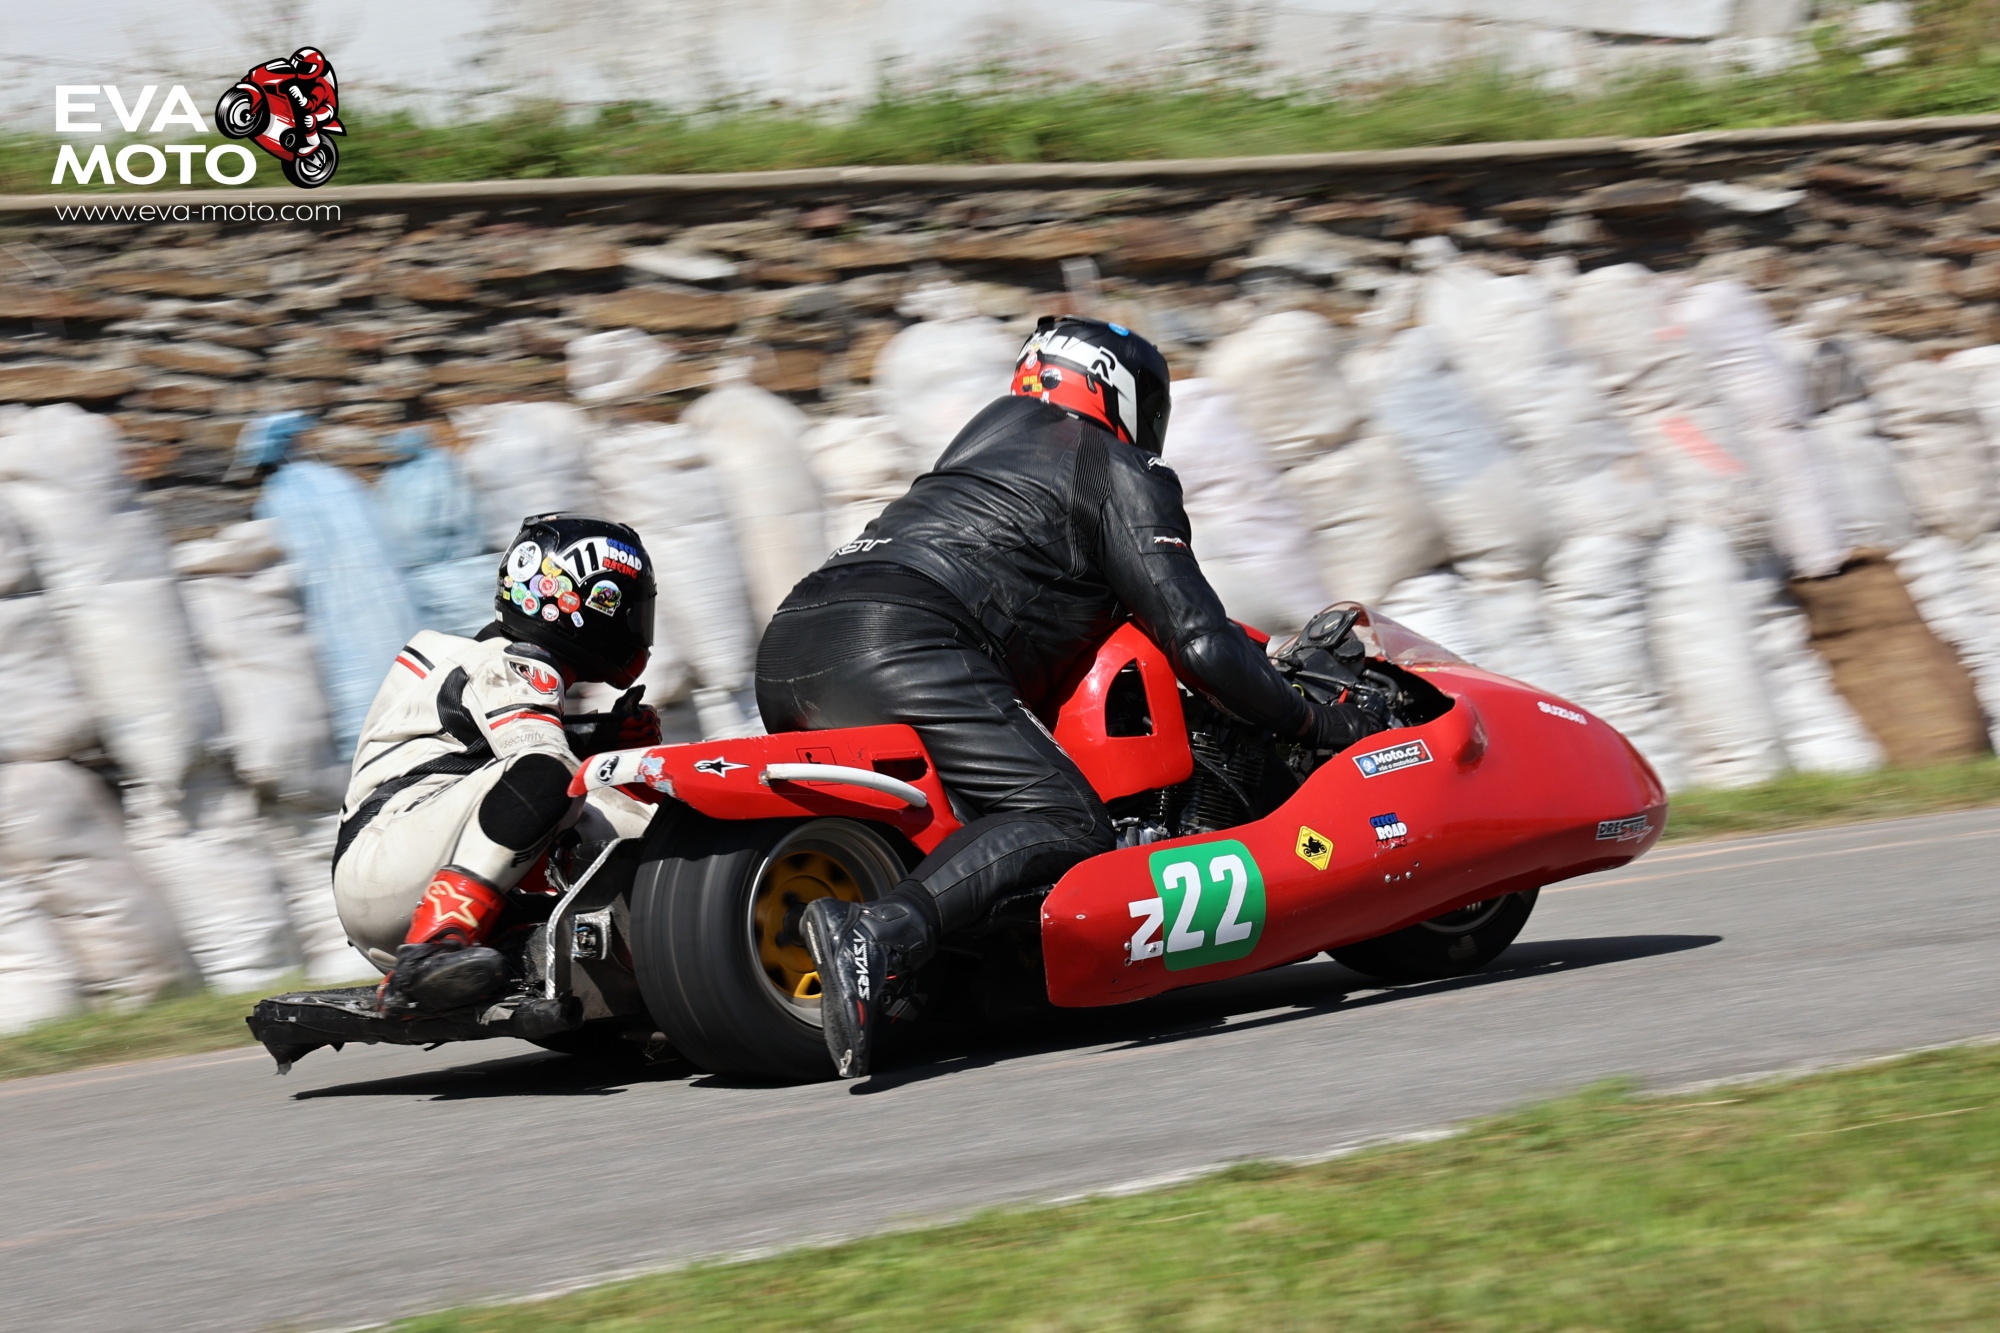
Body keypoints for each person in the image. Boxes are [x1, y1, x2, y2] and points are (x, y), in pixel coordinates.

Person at [758, 316, 1388, 1077]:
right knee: (1064, 817)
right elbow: (1199, 643)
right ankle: (881, 934)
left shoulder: (983, 442)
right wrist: (1316, 721)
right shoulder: (1117, 464)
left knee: (986, 813)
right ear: (1118, 392)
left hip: (791, 641)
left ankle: (949, 962)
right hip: (907, 639)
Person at [332, 514, 661, 1016]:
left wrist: (602, 736)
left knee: (607, 809)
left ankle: (515, 947)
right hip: (392, 865)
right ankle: (436, 946)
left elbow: (473, 752)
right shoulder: (514, 664)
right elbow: (538, 763)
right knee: (556, 777)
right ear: (590, 604)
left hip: (391, 870)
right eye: (631, 610)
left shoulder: (476, 659)